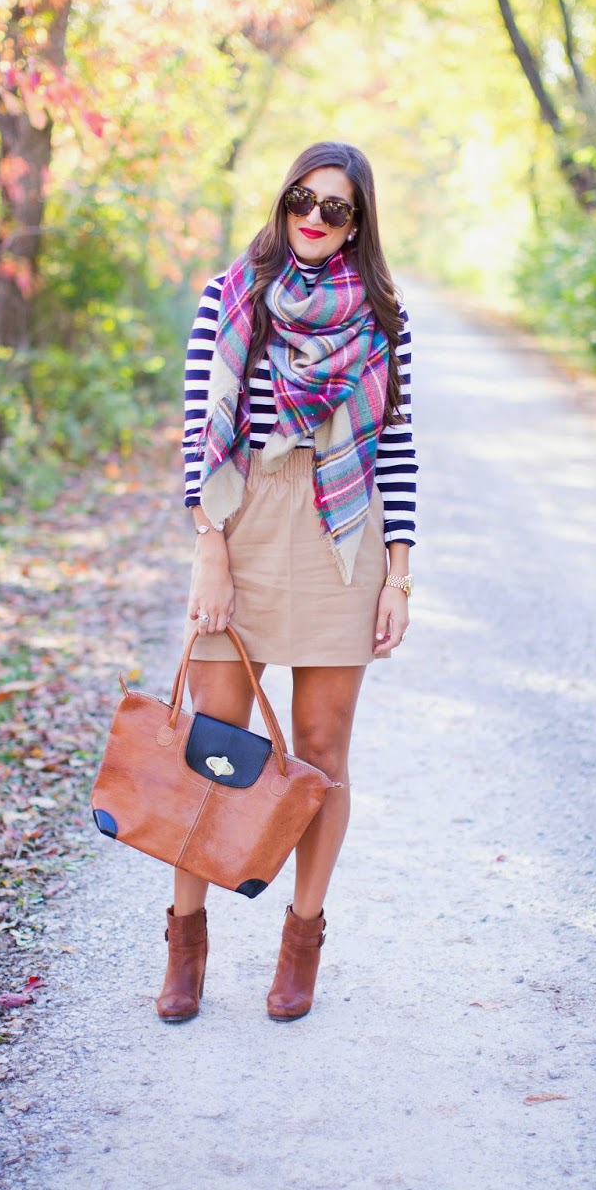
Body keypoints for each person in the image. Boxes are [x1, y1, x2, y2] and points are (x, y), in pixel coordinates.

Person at [157, 140, 418, 1023]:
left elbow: (400, 449)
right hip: (245, 520)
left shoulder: (383, 318)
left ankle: (302, 940)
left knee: (322, 752)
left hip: (343, 531)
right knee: (213, 746)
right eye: (303, 198)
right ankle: (186, 944)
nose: (313, 216)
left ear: (356, 225)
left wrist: (399, 575)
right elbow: (201, 432)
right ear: (283, 201)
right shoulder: (230, 299)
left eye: (335, 208)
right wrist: (210, 547)